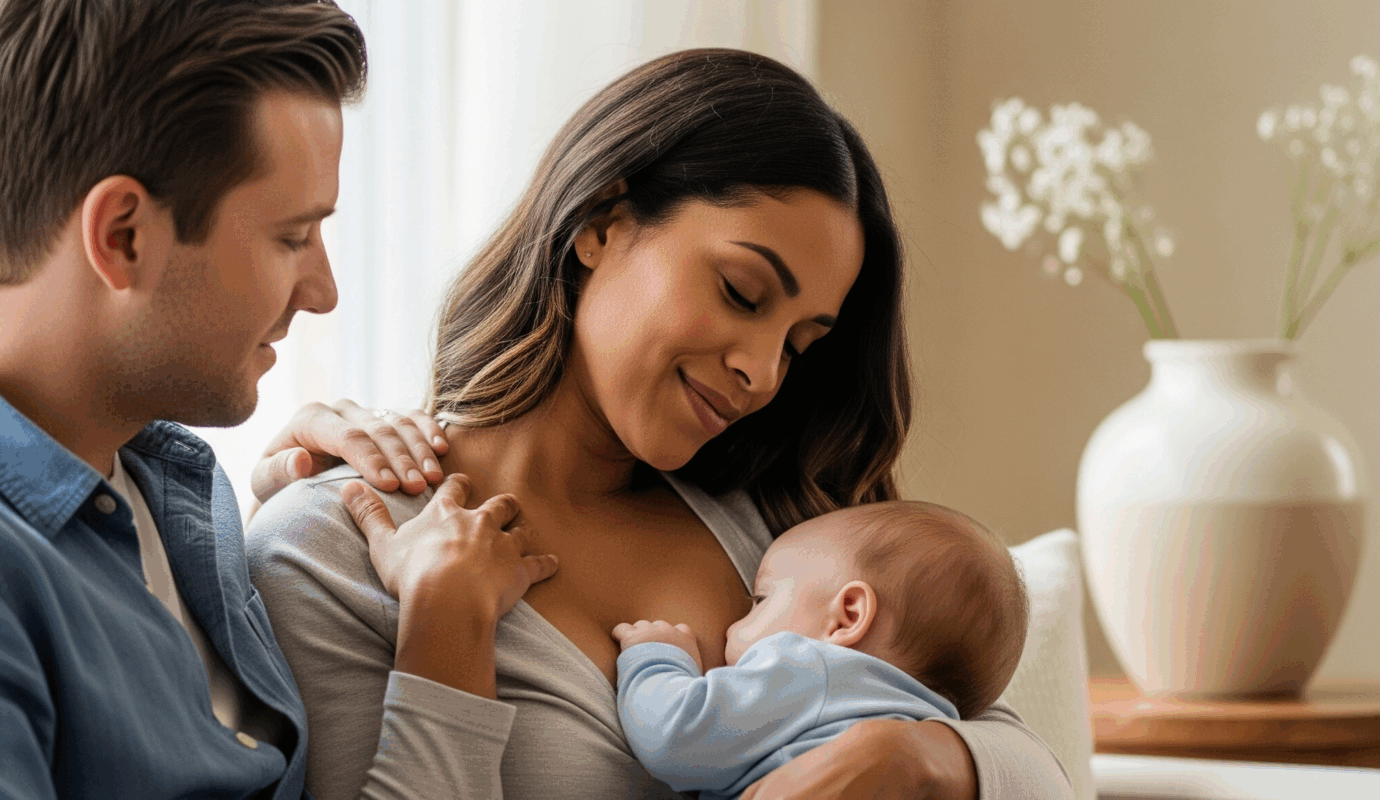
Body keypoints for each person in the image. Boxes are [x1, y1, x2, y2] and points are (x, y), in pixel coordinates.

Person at [248, 49, 1073, 799]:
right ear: (603, 223)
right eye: (742, 293)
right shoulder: (336, 545)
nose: (763, 371)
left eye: (799, 342)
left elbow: (1035, 771)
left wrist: (914, 760)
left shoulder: (777, 532)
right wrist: (449, 628)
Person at [0, 2, 456, 797]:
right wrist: (447, 649)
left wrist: (286, 501)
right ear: (123, 237)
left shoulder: (168, 485)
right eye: (292, 237)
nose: (324, 292)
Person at [611, 501, 1030, 799]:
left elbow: (676, 736)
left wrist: (656, 656)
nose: (731, 628)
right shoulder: (926, 717)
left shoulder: (813, 669)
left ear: (847, 615)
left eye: (760, 600)